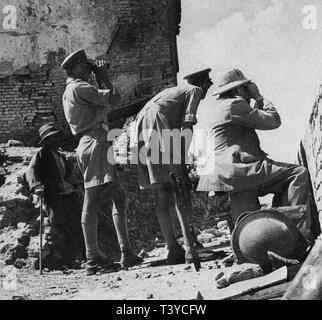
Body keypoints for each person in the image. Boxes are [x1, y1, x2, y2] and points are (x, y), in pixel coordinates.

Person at [197, 68, 313, 242]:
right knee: (297, 173)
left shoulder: (217, 108)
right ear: (237, 89)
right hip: (238, 169)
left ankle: (252, 251)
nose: (248, 90)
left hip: (223, 173)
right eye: (245, 87)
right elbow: (273, 121)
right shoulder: (234, 105)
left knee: (248, 222)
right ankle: (298, 236)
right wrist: (258, 98)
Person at [61, 49, 142, 276]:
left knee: (119, 195)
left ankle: (126, 252)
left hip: (93, 142)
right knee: (93, 198)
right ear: (77, 68)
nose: (90, 70)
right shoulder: (80, 87)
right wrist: (103, 75)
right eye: (87, 67)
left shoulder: (72, 90)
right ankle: (92, 258)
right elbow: (115, 98)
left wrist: (97, 75)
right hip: (94, 142)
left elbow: (105, 101)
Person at [130, 69, 213, 264]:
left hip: (140, 127)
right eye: (208, 84)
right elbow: (187, 124)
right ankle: (191, 249)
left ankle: (173, 248)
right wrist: (182, 158)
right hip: (158, 125)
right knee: (179, 188)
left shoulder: (171, 92)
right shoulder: (195, 91)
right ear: (205, 83)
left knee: (162, 192)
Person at [25, 123, 85, 269]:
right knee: (61, 227)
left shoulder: (60, 155)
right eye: (51, 139)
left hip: (68, 195)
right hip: (54, 197)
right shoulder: (41, 155)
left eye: (56, 138)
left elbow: (67, 175)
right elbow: (31, 171)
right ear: (45, 142)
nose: (55, 141)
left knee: (76, 225)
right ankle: (62, 261)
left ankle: (78, 258)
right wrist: (36, 186)